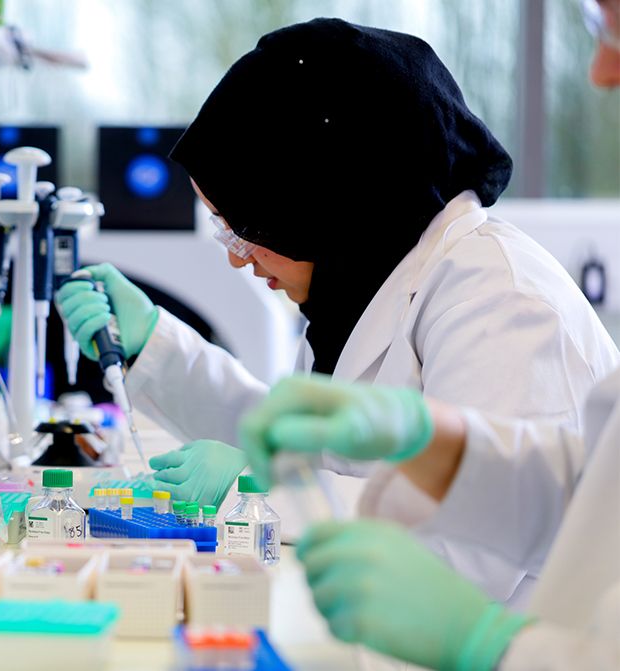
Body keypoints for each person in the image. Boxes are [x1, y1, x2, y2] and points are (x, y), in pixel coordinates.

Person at [56, 18, 619, 603]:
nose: (239, 259)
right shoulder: (370, 281)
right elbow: (293, 448)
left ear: (324, 203)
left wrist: (259, 490)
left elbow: (469, 542)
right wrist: (155, 345)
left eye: (245, 229)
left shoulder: (502, 303)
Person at [240, 5, 620, 667]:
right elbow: (598, 495)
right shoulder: (374, 291)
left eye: (612, 30)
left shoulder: (503, 294)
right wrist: (434, 442)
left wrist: (490, 645)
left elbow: (479, 573)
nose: (601, 71)